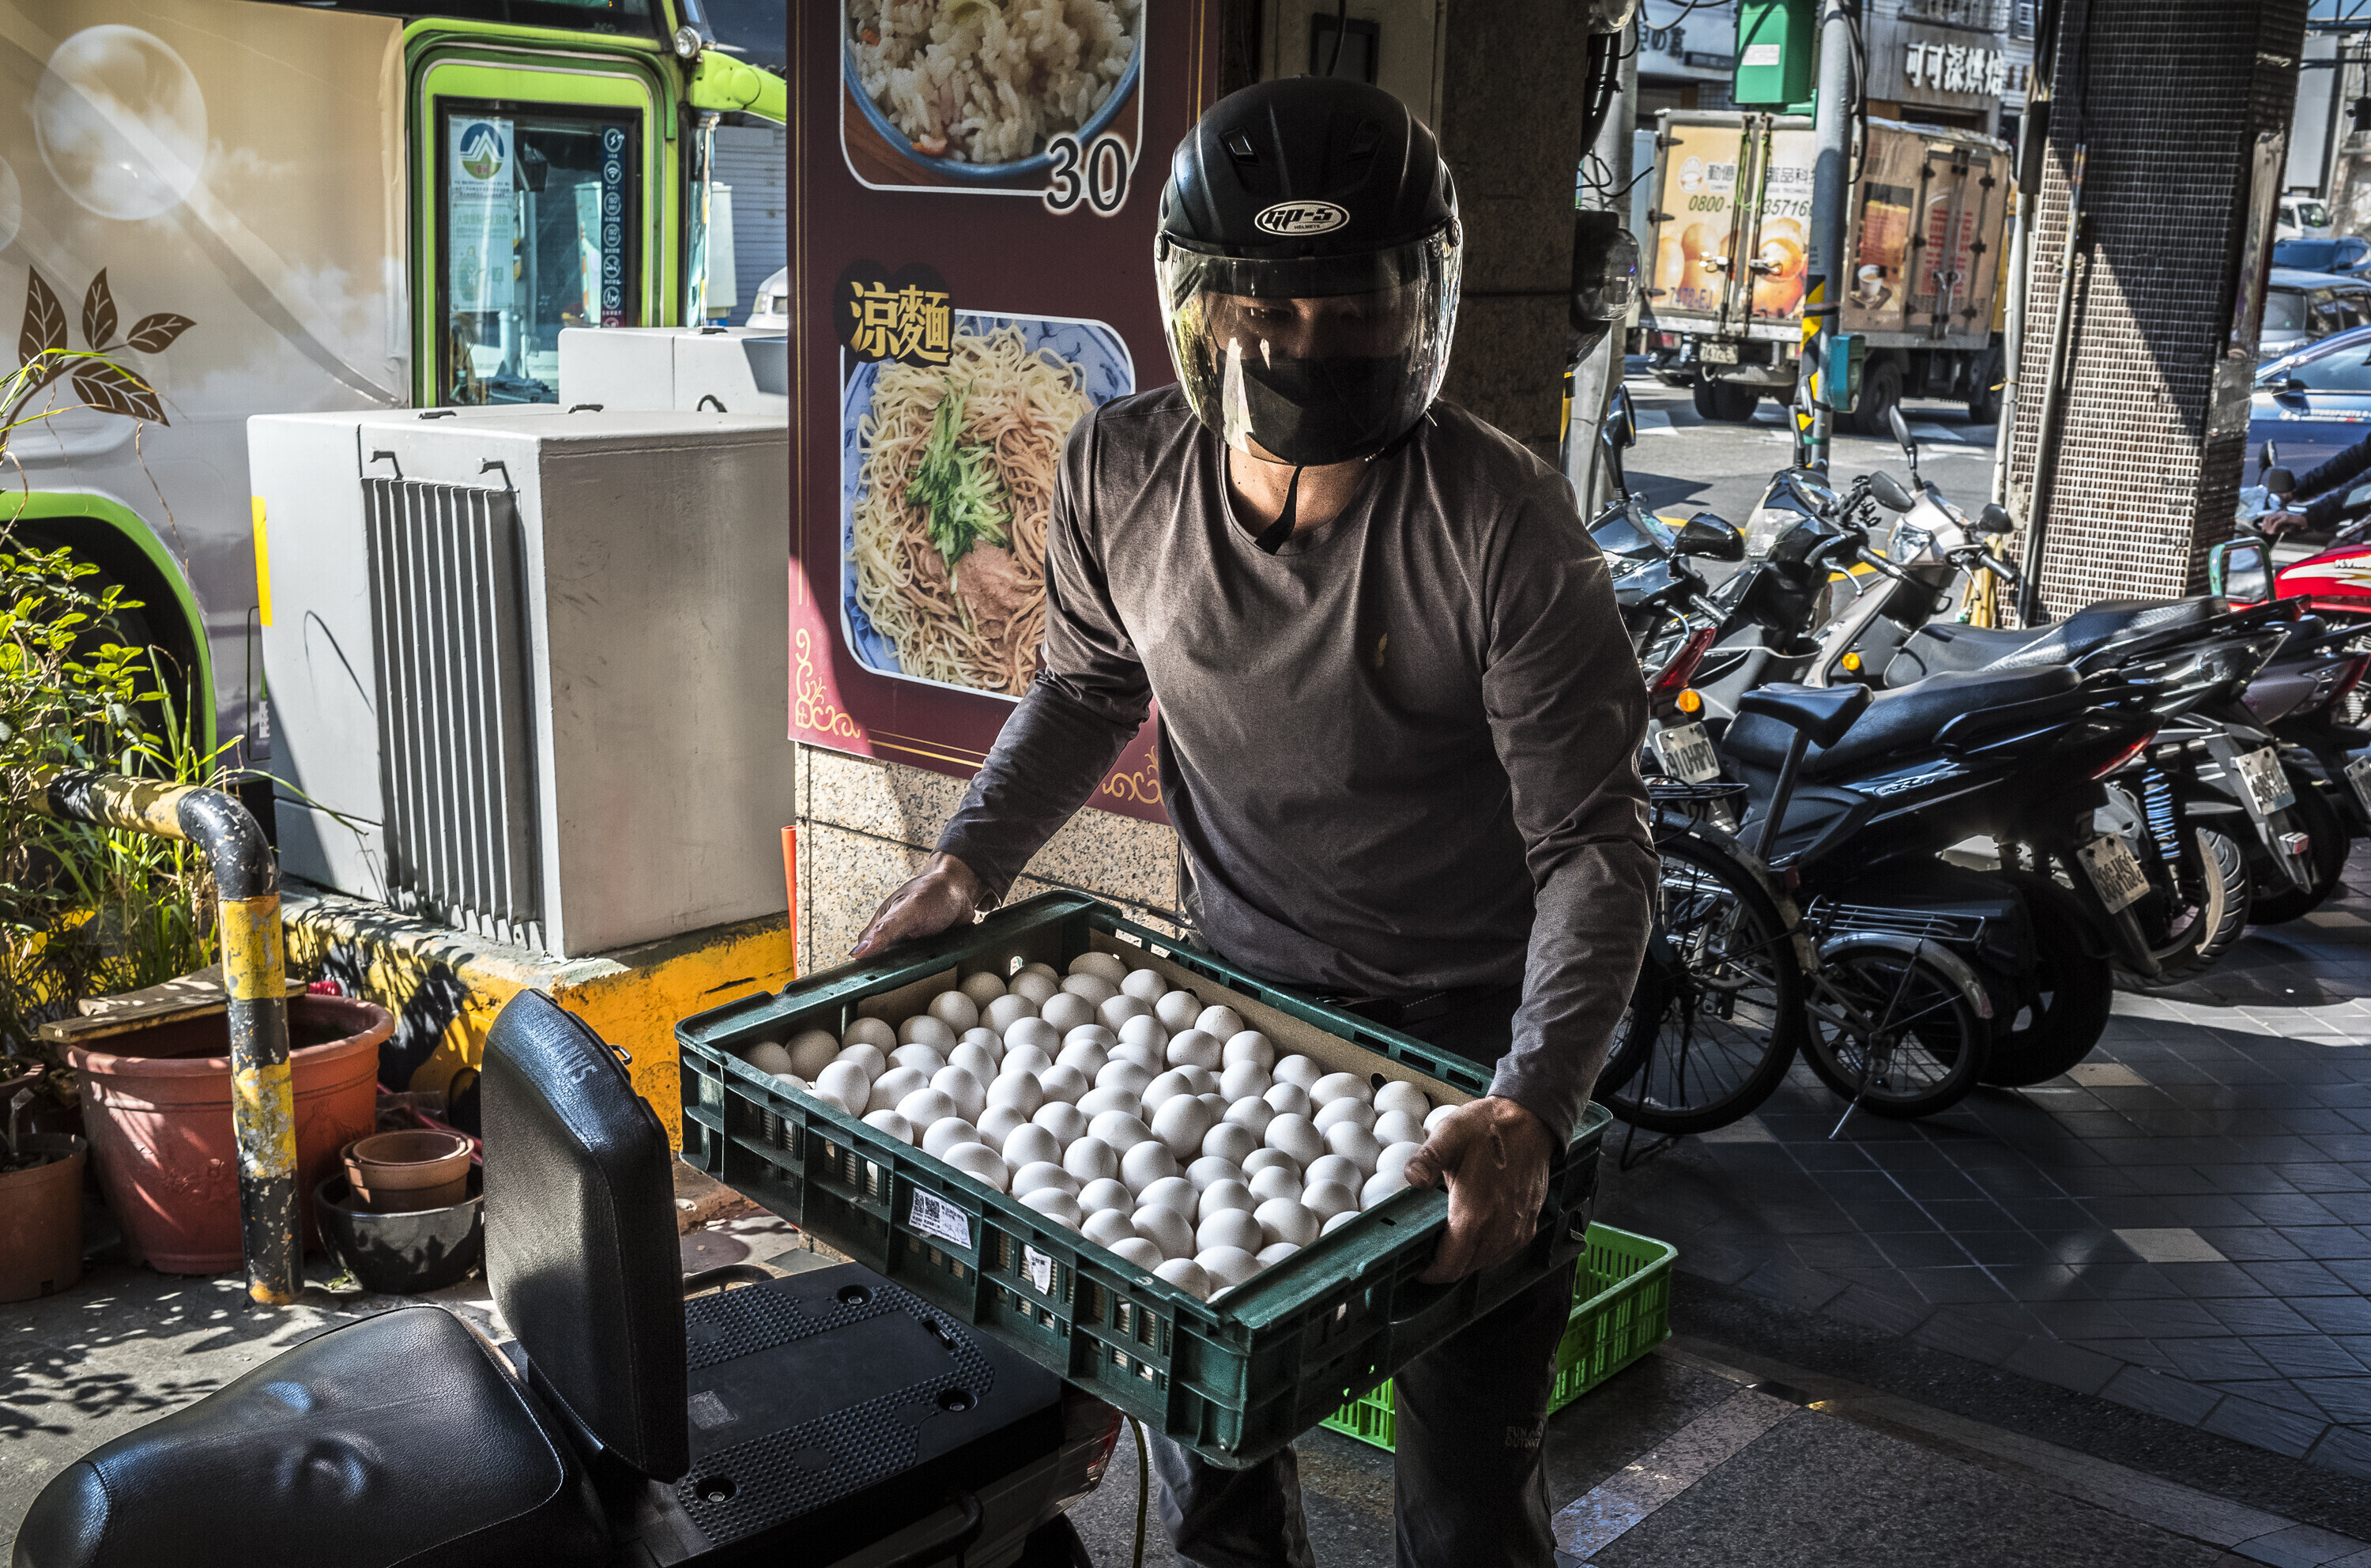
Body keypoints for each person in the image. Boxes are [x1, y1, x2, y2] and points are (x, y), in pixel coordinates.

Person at [850, 76, 1657, 1568]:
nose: (1307, 343)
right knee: (1217, 1465)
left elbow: (1594, 853)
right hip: (1237, 1008)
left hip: (1468, 1048)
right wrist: (968, 860)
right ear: (1199, 309)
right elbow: (1086, 689)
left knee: (1467, 1496)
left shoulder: (1501, 525)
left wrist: (1532, 1106)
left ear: (1421, 304)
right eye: (1267, 309)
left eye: (1352, 303)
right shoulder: (1122, 473)